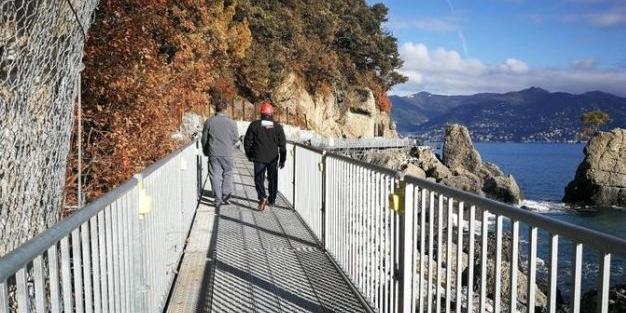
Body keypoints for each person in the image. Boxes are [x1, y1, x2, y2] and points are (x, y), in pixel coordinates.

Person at [244, 102, 287, 210]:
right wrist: (282, 159)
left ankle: (262, 197)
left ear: (261, 113)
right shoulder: (277, 127)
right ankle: (271, 199)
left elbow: (247, 141)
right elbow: (282, 145)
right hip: (272, 158)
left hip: (258, 157)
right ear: (271, 113)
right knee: (272, 179)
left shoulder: (254, 125)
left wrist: (249, 154)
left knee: (259, 178)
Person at [201, 94, 240, 207]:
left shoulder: (209, 122)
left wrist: (205, 150)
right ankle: (226, 197)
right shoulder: (232, 122)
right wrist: (228, 145)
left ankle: (217, 199)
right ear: (226, 110)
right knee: (228, 174)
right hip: (227, 153)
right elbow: (236, 138)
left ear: (215, 109)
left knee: (214, 175)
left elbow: (204, 139)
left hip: (214, 153)